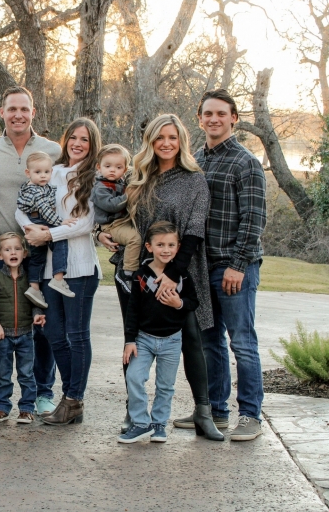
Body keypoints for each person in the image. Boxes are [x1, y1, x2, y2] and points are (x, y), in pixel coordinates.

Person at [100, 113, 224, 441]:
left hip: (182, 268)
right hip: (139, 270)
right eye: (159, 138)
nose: (166, 143)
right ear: (151, 142)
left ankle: (203, 411)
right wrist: (101, 231)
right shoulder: (139, 176)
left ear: (181, 140)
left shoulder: (194, 179)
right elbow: (118, 213)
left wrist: (171, 274)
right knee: (135, 337)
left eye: (172, 137)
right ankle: (135, 412)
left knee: (192, 338)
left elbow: (195, 231)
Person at [0, 86, 59, 417]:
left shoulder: (53, 150)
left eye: (24, 109)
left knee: (40, 326)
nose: (18, 115)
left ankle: (42, 393)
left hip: (41, 255)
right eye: (12, 109)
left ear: (33, 112)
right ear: (2, 112)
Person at [192, 89, 267, 441]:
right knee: (210, 342)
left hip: (233, 267)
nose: (214, 119)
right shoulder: (196, 160)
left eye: (221, 114)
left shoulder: (245, 162)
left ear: (233, 118)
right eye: (208, 114)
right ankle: (216, 412)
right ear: (200, 118)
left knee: (242, 342)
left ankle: (250, 415)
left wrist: (238, 264)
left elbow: (254, 220)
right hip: (201, 267)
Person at [17, 117, 102, 425]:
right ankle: (70, 397)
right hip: (52, 268)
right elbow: (25, 204)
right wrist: (30, 227)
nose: (78, 144)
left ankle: (73, 399)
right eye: (74, 137)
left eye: (85, 140)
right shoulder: (51, 172)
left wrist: (49, 235)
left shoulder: (94, 176)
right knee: (53, 334)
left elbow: (86, 223)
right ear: (66, 140)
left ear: (92, 146)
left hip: (80, 267)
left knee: (78, 336)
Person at [118, 221, 199, 444]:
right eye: (160, 244)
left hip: (172, 340)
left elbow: (193, 302)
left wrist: (178, 303)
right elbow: (132, 309)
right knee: (134, 376)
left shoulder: (182, 276)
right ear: (149, 246)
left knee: (165, 385)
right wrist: (130, 340)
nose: (166, 249)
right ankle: (140, 423)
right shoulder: (141, 276)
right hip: (143, 339)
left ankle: (158, 424)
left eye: (171, 245)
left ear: (178, 247)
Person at [0, 232, 45, 424]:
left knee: (26, 374)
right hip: (2, 337)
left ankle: (26, 409)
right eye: (7, 250)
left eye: (17, 249)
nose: (12, 253)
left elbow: (35, 302)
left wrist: (37, 315)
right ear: (0, 255)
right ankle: (1, 407)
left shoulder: (29, 279)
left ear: (24, 253)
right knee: (2, 373)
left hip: (25, 336)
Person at [17, 151, 75, 308]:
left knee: (37, 257)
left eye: (47, 172)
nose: (43, 176)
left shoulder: (27, 187)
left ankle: (34, 287)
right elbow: (47, 212)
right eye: (38, 172)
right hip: (41, 220)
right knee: (60, 240)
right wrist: (61, 222)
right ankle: (58, 278)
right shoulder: (36, 191)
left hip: (33, 220)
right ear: (28, 173)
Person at [90, 144, 141, 294]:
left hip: (120, 222)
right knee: (135, 238)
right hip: (111, 225)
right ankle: (128, 273)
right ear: (99, 167)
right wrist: (128, 195)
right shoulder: (100, 187)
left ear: (125, 170)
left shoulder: (120, 183)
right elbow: (110, 205)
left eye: (118, 167)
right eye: (108, 166)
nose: (113, 170)